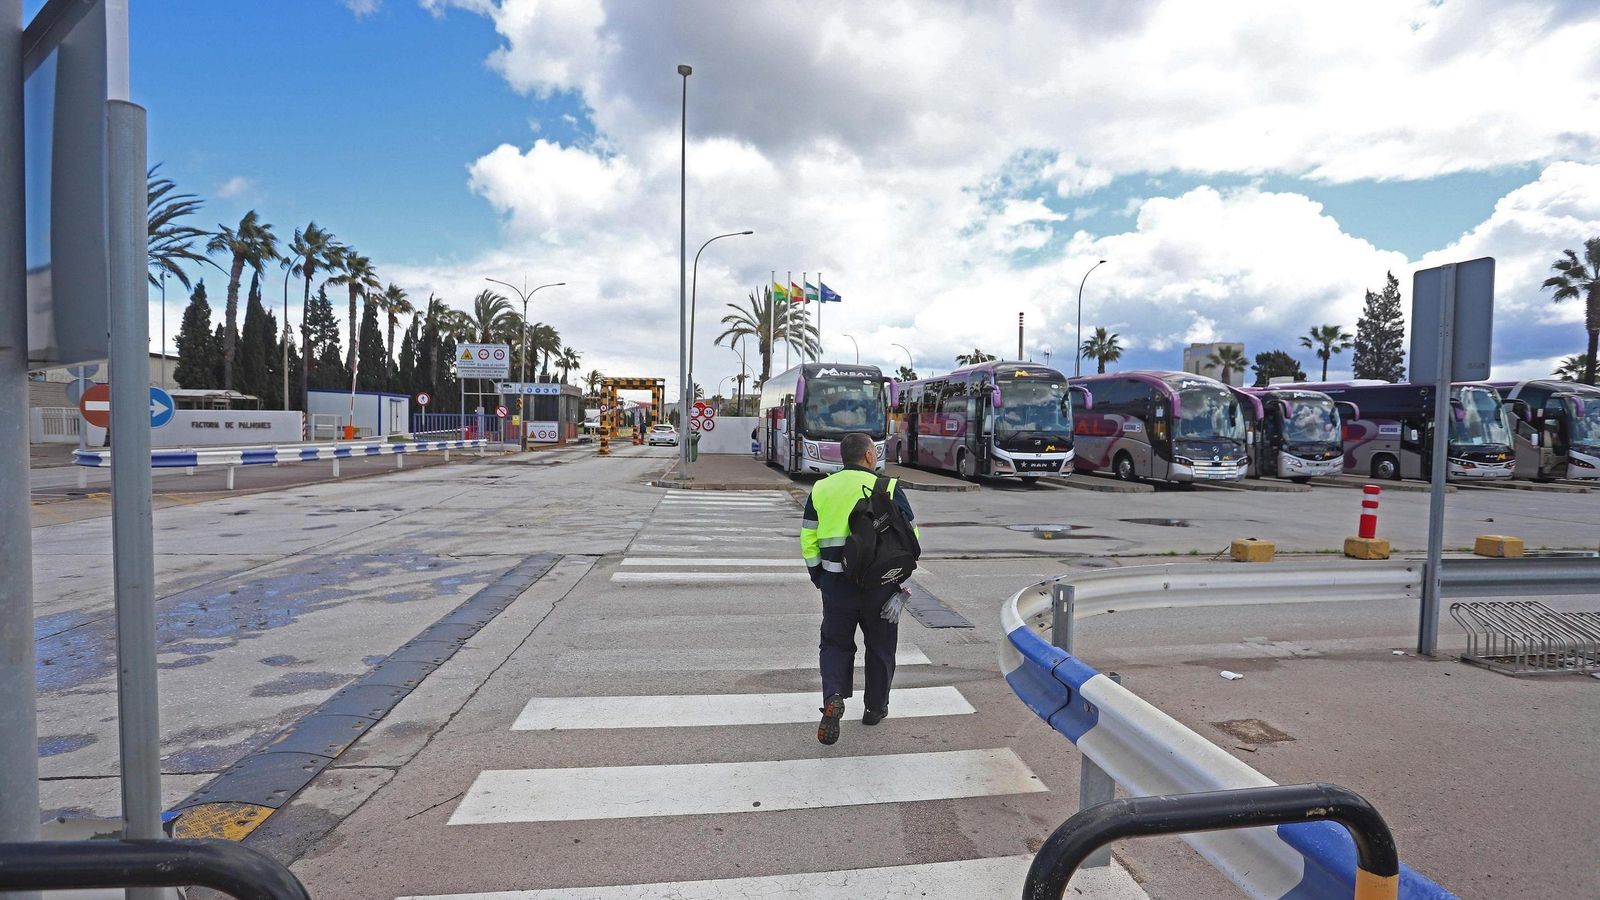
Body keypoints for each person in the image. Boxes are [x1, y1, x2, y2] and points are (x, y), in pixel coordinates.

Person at [799, 432, 919, 745]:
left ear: (843, 457)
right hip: (881, 585)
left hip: (836, 584)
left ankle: (834, 695)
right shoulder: (889, 487)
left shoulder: (822, 488)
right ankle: (875, 708)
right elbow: (911, 540)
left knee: (835, 644)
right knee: (880, 647)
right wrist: (900, 582)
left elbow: (808, 538)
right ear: (868, 456)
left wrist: (819, 577)